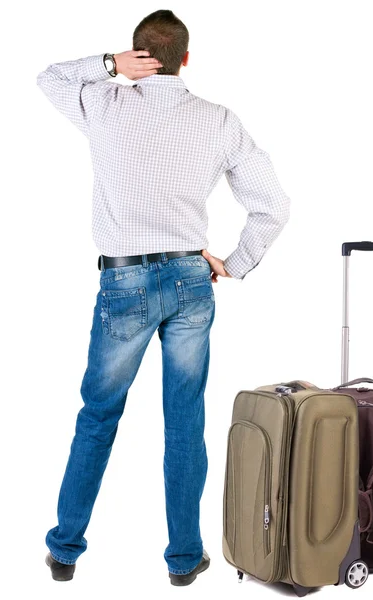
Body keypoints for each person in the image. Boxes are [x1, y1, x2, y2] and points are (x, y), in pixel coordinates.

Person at [37, 9, 290, 586]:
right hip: (190, 283)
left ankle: (65, 552)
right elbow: (273, 204)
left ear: (136, 58)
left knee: (98, 417)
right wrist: (236, 261)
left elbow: (48, 77)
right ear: (186, 58)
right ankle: (183, 560)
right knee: (185, 422)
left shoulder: (104, 103)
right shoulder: (218, 120)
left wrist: (106, 67)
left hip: (123, 282)